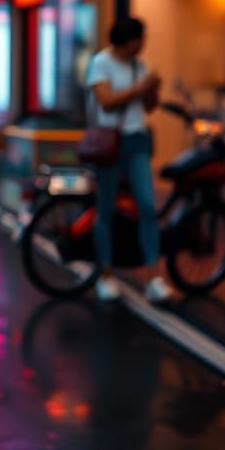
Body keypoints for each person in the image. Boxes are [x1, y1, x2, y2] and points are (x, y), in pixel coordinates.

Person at [86, 16, 172, 304]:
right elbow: (106, 102)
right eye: (140, 40)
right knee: (106, 208)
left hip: (136, 140)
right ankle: (105, 273)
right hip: (110, 141)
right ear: (129, 41)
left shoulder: (139, 66)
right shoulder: (101, 63)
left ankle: (154, 276)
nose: (143, 46)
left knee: (147, 206)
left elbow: (148, 107)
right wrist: (140, 87)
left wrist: (151, 89)